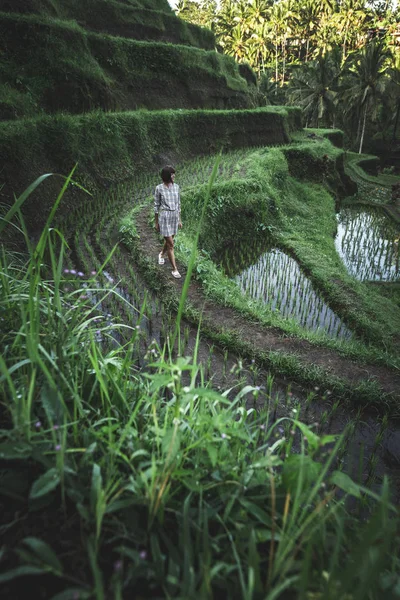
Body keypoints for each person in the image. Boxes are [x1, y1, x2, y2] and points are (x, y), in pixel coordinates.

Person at [154, 165, 182, 279]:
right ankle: (174, 269)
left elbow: (178, 204)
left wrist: (179, 219)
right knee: (171, 244)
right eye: (172, 174)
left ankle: (161, 254)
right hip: (165, 217)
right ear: (167, 176)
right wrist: (156, 222)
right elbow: (156, 206)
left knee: (170, 240)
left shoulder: (176, 187)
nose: (174, 176)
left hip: (174, 216)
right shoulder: (159, 188)